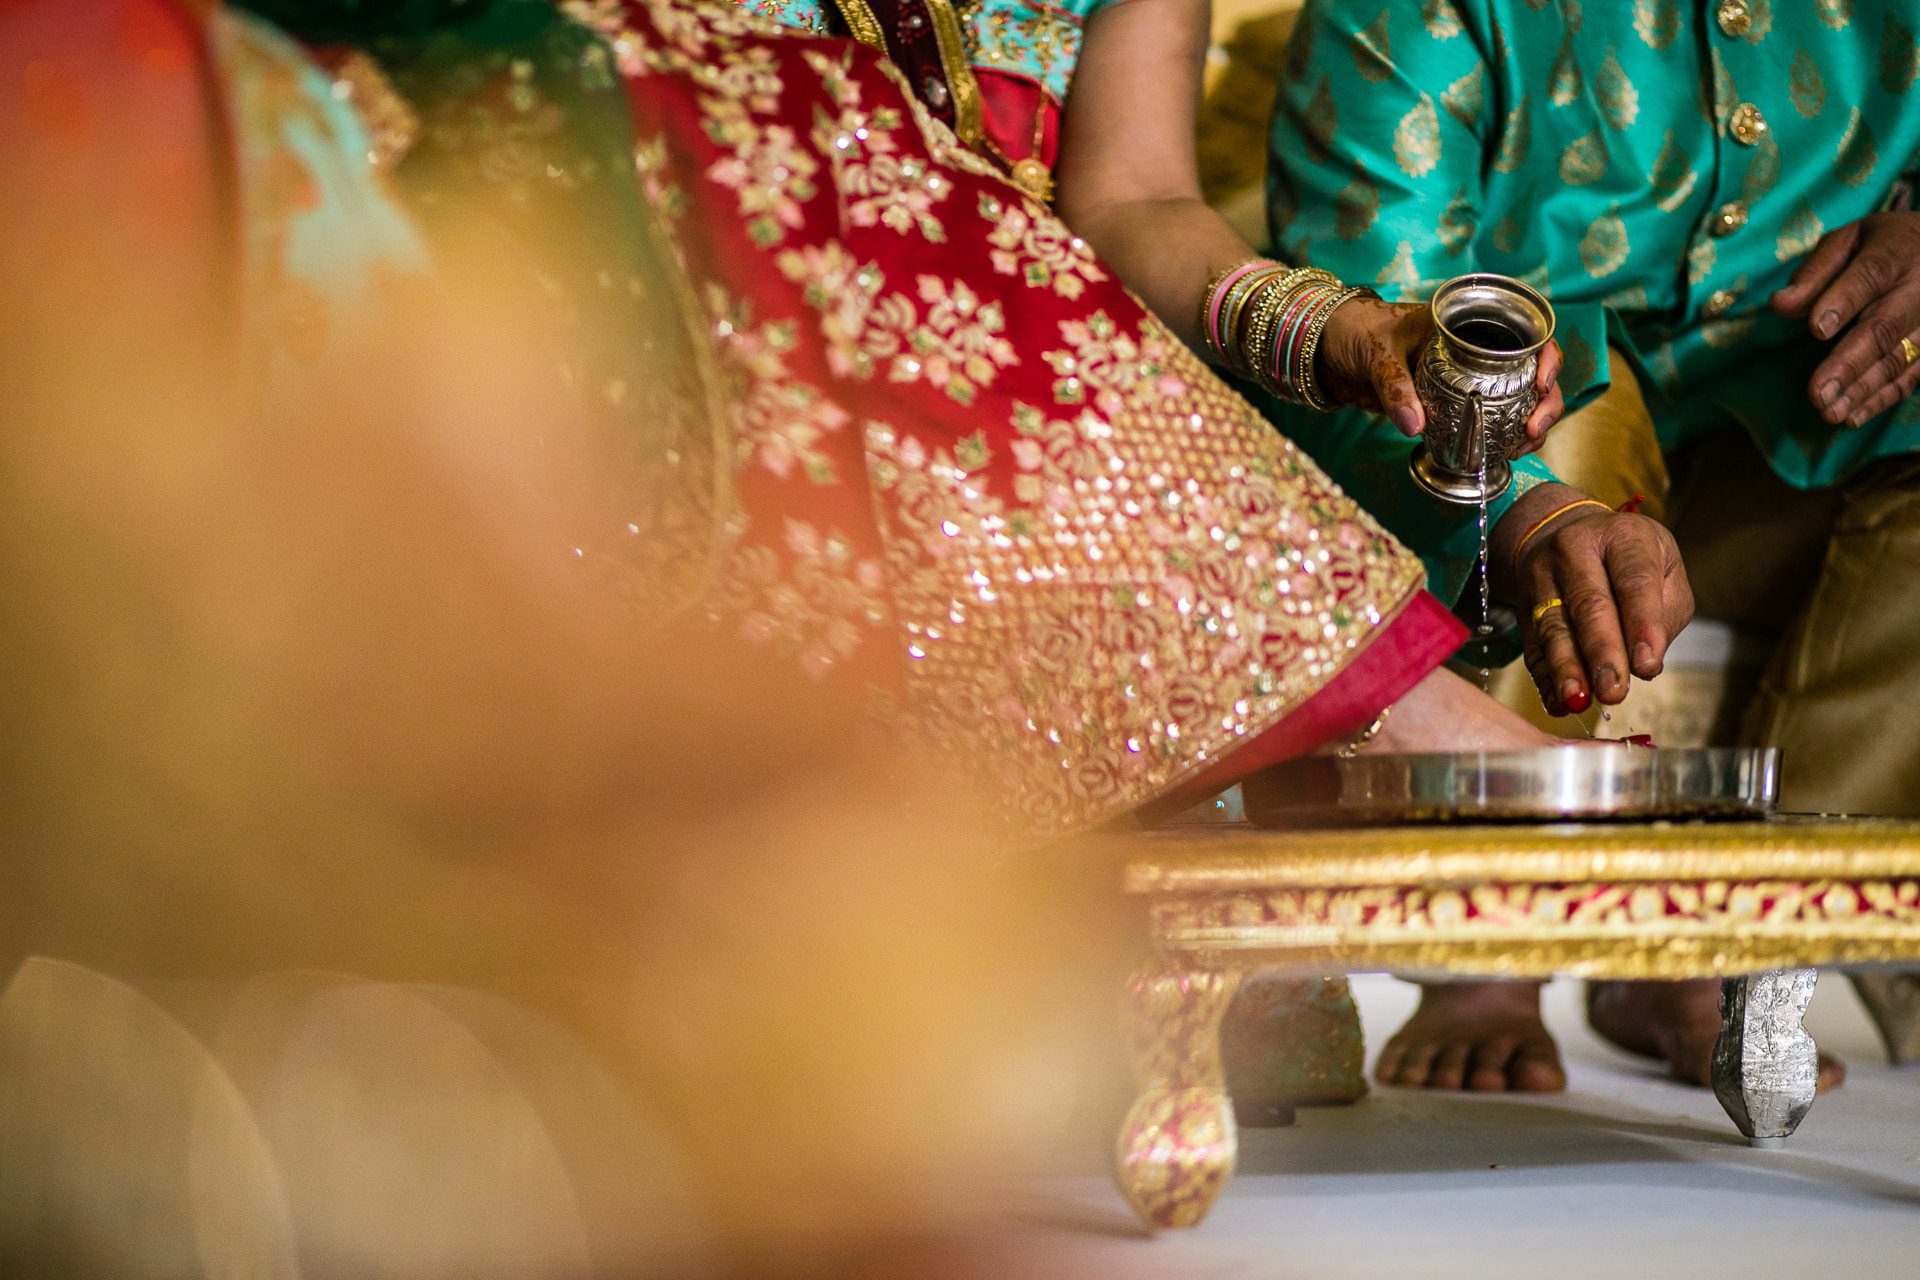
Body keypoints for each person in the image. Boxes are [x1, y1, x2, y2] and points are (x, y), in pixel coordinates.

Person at [1266, 0, 1920, 1092]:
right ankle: (1491, 947)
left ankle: (1741, 927)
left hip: (1795, 429)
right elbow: (1374, 329)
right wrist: (1533, 500)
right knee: (1525, 395)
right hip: (1526, 441)